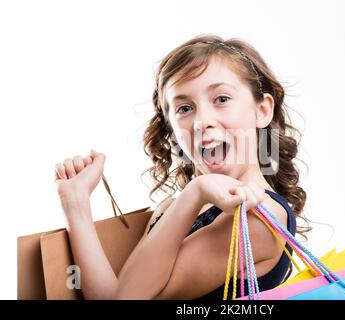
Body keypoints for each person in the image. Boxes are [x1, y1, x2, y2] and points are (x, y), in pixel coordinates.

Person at [54, 34, 309, 300]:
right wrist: (75, 203)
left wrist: (195, 190)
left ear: (262, 110)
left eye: (221, 99)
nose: (202, 122)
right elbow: (113, 296)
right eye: (184, 108)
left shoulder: (259, 217)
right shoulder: (172, 210)